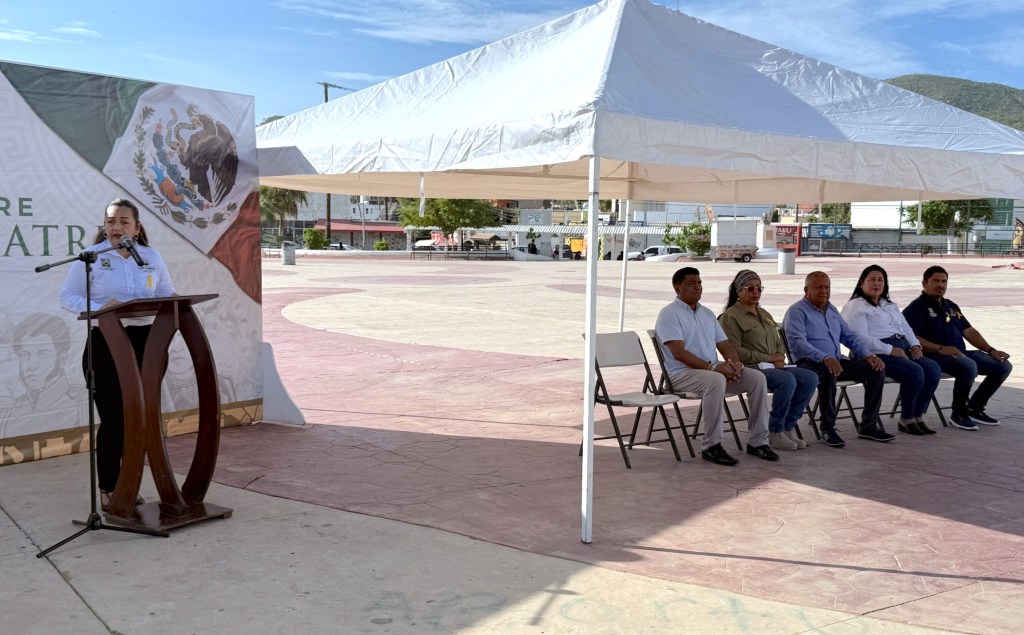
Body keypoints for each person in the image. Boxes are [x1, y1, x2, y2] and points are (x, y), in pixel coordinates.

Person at [59, 198, 177, 510]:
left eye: (124, 222)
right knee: (115, 419)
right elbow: (67, 296)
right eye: (111, 221)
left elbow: (166, 292)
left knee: (139, 418)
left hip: (147, 343)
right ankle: (110, 486)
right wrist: (99, 308)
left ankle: (131, 483)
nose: (116, 227)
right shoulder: (91, 258)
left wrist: (173, 300)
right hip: (106, 342)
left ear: (136, 229)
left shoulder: (150, 257)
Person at [654, 267, 778, 465]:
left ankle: (758, 442)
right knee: (716, 379)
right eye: (691, 283)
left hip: (711, 371)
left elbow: (725, 345)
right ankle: (711, 446)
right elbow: (679, 353)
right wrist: (713, 368)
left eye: (699, 283)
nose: (697, 287)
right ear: (678, 287)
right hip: (681, 375)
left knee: (757, 378)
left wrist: (734, 364)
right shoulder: (669, 314)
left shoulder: (707, 313)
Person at [783, 271, 892, 448]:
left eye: (827, 287)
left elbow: (850, 336)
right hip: (808, 362)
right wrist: (824, 357)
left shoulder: (831, 310)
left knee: (876, 369)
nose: (824, 291)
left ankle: (868, 425)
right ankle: (827, 429)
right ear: (806, 289)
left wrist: (868, 355)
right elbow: (798, 343)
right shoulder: (797, 311)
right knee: (828, 372)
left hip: (834, 360)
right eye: (819, 287)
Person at [902, 265, 1012, 430]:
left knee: (1003, 366)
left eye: (944, 281)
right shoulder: (916, 308)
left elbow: (968, 331)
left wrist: (991, 350)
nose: (941, 285)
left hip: (959, 353)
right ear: (924, 283)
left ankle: (975, 408)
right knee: (968, 366)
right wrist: (940, 348)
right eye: (935, 281)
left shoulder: (950, 306)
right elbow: (911, 337)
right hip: (933, 356)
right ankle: (958, 413)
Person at [719, 270, 817, 451]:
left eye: (759, 288)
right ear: (739, 291)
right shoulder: (730, 317)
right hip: (751, 368)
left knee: (810, 377)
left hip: (775, 364)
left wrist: (779, 355)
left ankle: (788, 426)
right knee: (786, 380)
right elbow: (734, 351)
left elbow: (778, 341)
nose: (756, 292)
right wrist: (768, 358)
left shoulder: (764, 313)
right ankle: (775, 430)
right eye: (750, 288)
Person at [841, 265, 941, 436]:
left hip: (901, 348)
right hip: (874, 353)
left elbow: (906, 328)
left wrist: (915, 344)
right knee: (914, 371)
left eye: (881, 280)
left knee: (932, 369)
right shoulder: (856, 306)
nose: (876, 283)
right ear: (861, 283)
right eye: (871, 279)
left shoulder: (889, 304)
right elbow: (860, 339)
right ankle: (907, 418)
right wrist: (889, 350)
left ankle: (918, 415)